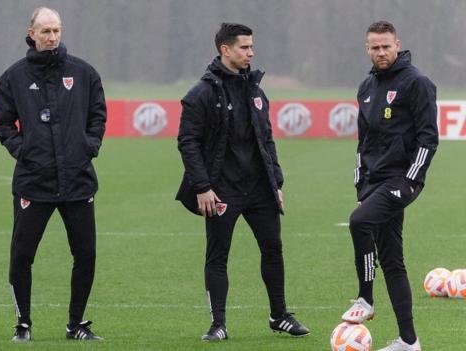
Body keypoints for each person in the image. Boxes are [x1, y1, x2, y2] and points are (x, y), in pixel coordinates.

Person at [176, 22, 309, 341]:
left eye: (251, 46)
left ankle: (279, 315)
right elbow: (187, 142)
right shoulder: (201, 94)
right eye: (244, 47)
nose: (251, 52)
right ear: (225, 50)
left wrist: (276, 181)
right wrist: (203, 187)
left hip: (260, 188)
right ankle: (218, 324)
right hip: (221, 190)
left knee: (273, 250)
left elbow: (267, 139)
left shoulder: (256, 91)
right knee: (218, 255)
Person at [0, 7, 106, 343]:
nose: (51, 37)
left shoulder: (84, 73)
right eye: (45, 31)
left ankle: (77, 325)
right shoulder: (13, 77)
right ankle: (23, 324)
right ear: (31, 33)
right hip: (33, 181)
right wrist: (22, 150)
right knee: (22, 256)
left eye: (56, 30)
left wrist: (89, 145)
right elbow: (1, 122)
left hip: (78, 180)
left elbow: (98, 114)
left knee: (85, 255)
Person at [341, 21, 438, 351]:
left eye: (386, 46)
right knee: (393, 262)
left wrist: (412, 179)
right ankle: (409, 342)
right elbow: (362, 142)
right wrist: (360, 185)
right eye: (374, 47)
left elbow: (428, 138)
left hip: (401, 180)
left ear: (397, 45)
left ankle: (365, 299)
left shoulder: (417, 83)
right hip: (372, 181)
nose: (381, 52)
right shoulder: (366, 87)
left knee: (359, 222)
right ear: (367, 49)